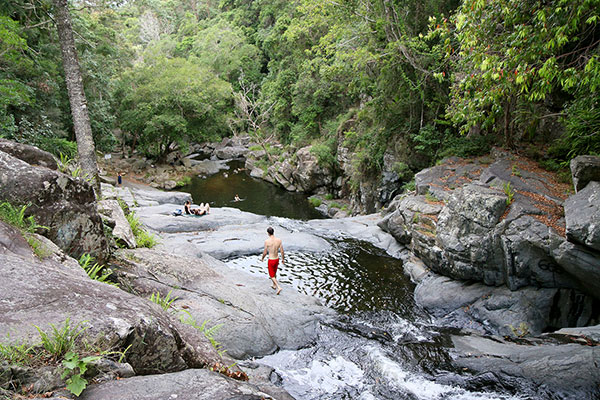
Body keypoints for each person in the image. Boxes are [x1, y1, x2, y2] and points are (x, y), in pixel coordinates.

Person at [261, 226, 284, 295]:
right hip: (276, 259)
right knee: (274, 272)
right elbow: (282, 251)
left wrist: (262, 258)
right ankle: (274, 285)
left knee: (271, 276)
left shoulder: (267, 241)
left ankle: (278, 287)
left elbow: (265, 252)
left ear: (268, 233)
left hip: (271, 259)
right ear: (273, 232)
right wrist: (283, 259)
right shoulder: (279, 240)